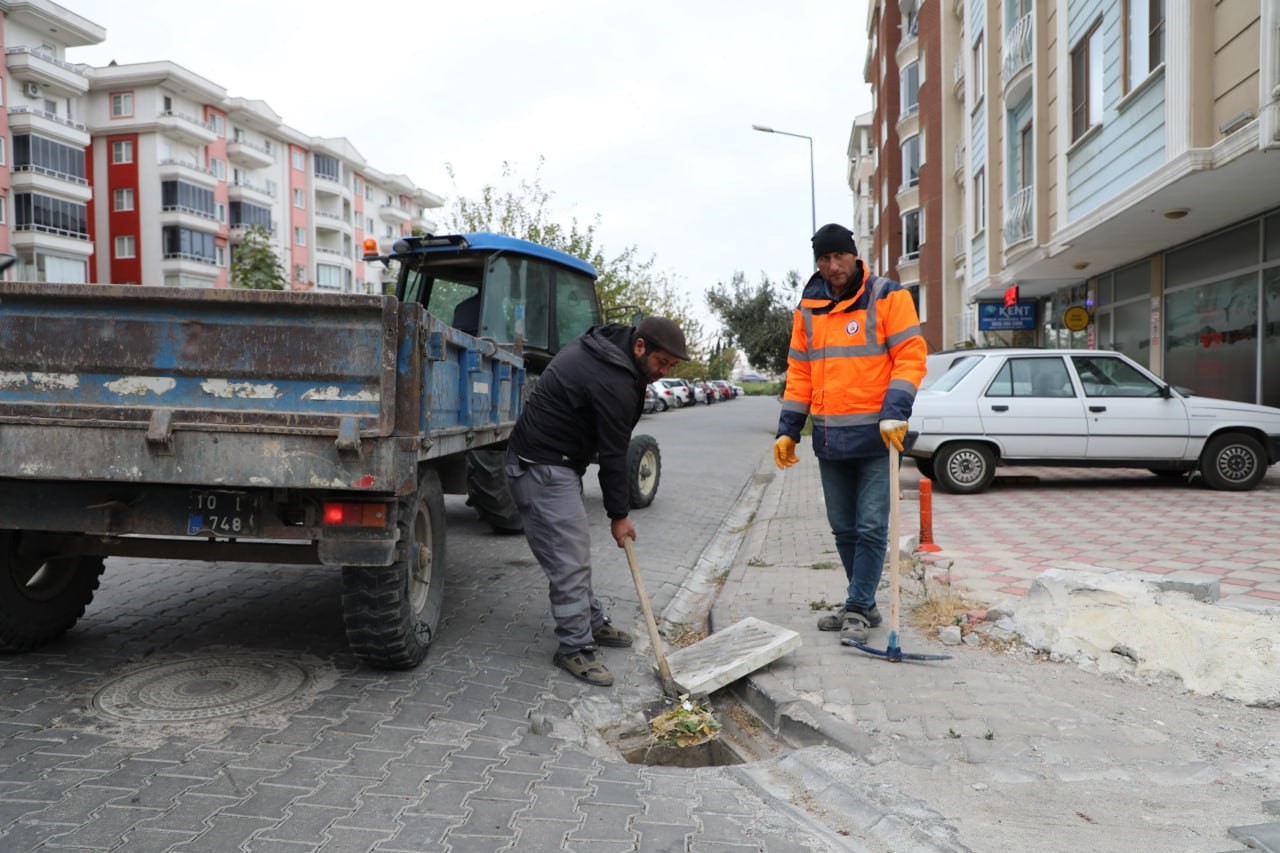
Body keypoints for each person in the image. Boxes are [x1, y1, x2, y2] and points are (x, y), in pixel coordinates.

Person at [505, 316, 689, 686]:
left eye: (671, 366)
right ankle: (574, 646)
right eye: (661, 362)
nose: (663, 371)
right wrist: (619, 515)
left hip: (556, 464)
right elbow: (613, 456)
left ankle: (589, 621)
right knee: (569, 560)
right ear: (640, 347)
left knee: (572, 552)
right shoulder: (613, 379)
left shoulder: (611, 350)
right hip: (540, 467)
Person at [772, 224, 927, 644]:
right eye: (824, 259)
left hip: (878, 438)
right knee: (843, 528)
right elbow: (799, 370)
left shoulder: (887, 296)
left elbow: (910, 356)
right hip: (829, 438)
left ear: (854, 256)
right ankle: (866, 603)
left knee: (873, 526)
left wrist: (896, 411)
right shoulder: (808, 307)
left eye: (839, 256)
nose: (832, 266)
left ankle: (857, 607)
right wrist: (789, 429)